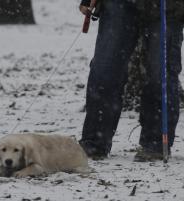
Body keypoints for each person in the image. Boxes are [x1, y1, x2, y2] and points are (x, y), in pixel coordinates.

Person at [78, 0, 184, 161]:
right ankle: (93, 142)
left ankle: (155, 144)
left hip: (168, 6)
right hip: (119, 4)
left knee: (160, 75)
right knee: (105, 70)